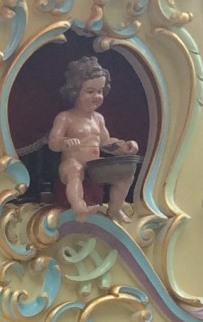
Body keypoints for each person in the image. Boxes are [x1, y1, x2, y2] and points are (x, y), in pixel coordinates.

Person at [48, 55, 139, 216]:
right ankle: (79, 206)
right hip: (70, 166)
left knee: (126, 174)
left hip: (95, 169)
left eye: (100, 91)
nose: (96, 96)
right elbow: (53, 142)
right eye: (90, 91)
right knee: (74, 169)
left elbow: (106, 142)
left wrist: (123, 146)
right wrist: (64, 142)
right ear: (75, 91)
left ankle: (115, 208)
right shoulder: (65, 117)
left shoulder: (99, 118)